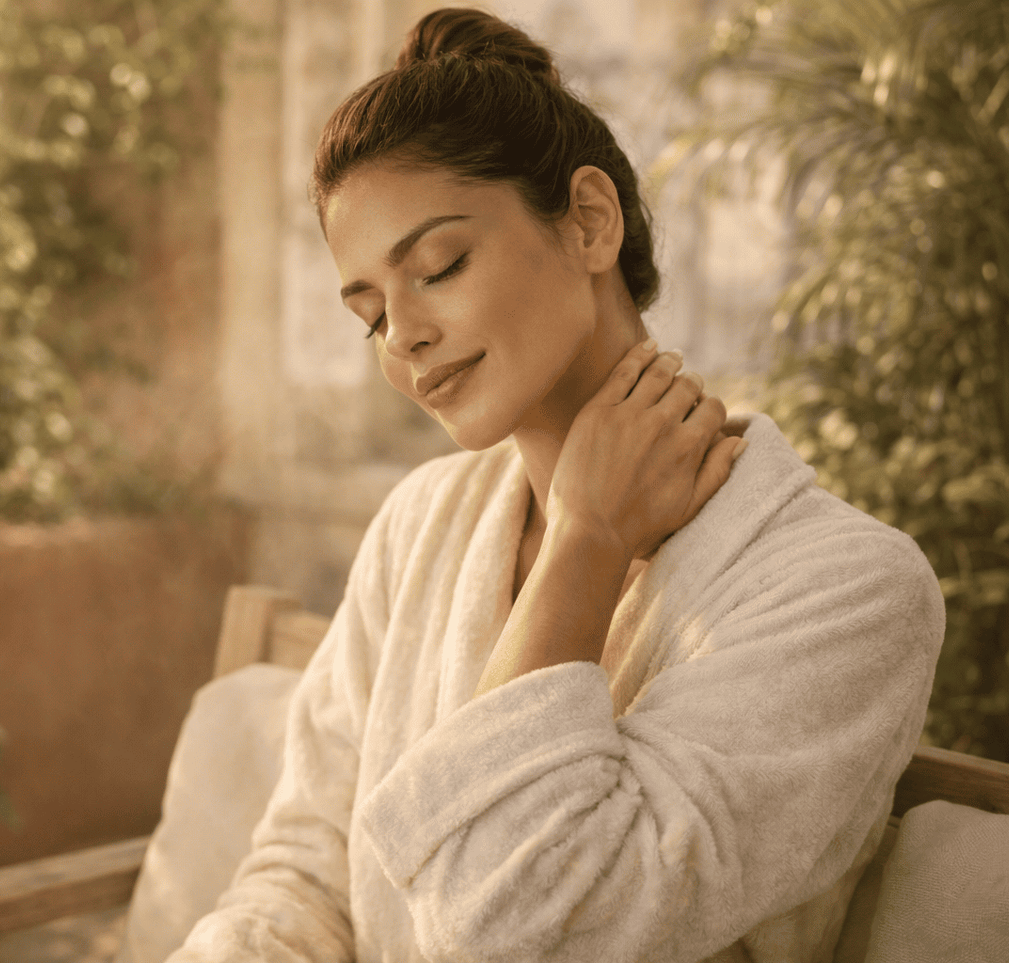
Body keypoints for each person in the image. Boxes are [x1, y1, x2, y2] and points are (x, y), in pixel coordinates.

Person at [169, 8, 944, 962]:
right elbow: (307, 864)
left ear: (588, 220)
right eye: (369, 314)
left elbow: (532, 930)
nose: (402, 334)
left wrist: (585, 539)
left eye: (438, 266)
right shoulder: (418, 527)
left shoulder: (846, 590)